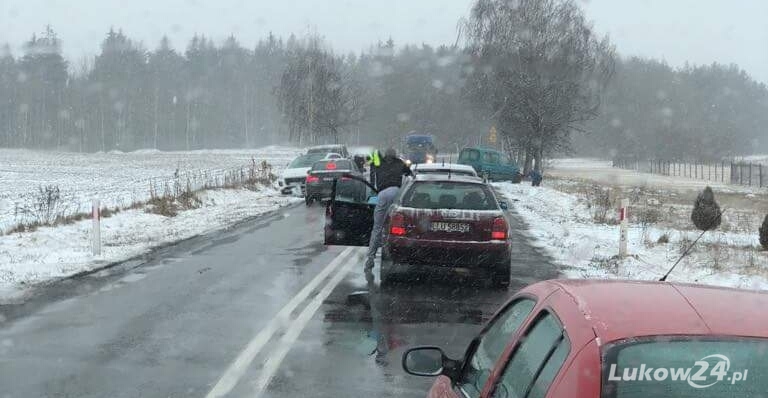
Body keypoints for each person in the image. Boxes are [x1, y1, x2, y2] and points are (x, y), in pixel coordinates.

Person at [365, 148, 412, 271]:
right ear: (395, 155)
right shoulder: (400, 163)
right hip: (397, 193)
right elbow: (410, 176)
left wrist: (375, 154)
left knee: (377, 228)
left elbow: (368, 160)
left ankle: (370, 258)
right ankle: (392, 255)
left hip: (382, 194)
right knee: (395, 227)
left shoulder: (379, 161)